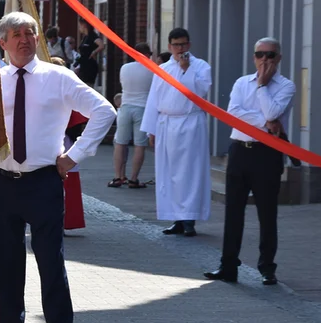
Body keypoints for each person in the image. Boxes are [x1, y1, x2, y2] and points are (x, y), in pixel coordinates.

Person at [0, 12, 115, 323]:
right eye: (16, 35)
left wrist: (74, 156)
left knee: (50, 267)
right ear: (3, 42)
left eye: (30, 33)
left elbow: (104, 111)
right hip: (1, 180)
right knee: (7, 269)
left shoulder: (57, 77)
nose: (24, 40)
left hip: (42, 181)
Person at [205, 38, 296, 285]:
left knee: (267, 213)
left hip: (267, 154)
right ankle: (228, 265)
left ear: (279, 58)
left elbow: (272, 113)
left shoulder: (286, 86)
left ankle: (267, 267)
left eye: (270, 55)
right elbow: (233, 115)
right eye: (259, 54)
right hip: (239, 152)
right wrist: (264, 123)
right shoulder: (240, 82)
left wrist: (262, 87)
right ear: (253, 57)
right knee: (233, 211)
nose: (264, 59)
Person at [141, 28, 212, 237]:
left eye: (183, 44)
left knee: (190, 173)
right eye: (176, 45)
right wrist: (151, 129)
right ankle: (176, 217)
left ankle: (189, 218)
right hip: (166, 123)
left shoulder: (200, 67)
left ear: (189, 45)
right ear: (170, 47)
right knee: (169, 173)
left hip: (190, 123)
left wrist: (186, 69)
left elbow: (199, 92)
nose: (180, 49)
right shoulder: (162, 69)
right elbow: (154, 98)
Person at [110, 43, 154, 189]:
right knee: (139, 145)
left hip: (126, 106)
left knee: (120, 143)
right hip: (143, 108)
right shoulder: (152, 69)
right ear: (147, 54)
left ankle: (117, 177)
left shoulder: (125, 68)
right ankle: (134, 179)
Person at [74, 21, 104, 87]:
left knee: (87, 86)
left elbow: (101, 45)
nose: (79, 28)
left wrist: (94, 52)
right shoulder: (85, 37)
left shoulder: (92, 36)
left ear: (84, 25)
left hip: (89, 66)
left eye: (80, 26)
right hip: (83, 66)